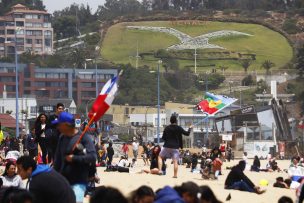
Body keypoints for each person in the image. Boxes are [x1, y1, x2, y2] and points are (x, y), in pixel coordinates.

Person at [53, 112, 96, 203]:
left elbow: (92, 157)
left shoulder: (84, 137)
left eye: (59, 125)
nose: (58, 127)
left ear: (66, 125)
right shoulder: (62, 138)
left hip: (78, 182)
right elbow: (58, 160)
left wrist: (74, 158)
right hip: (63, 181)